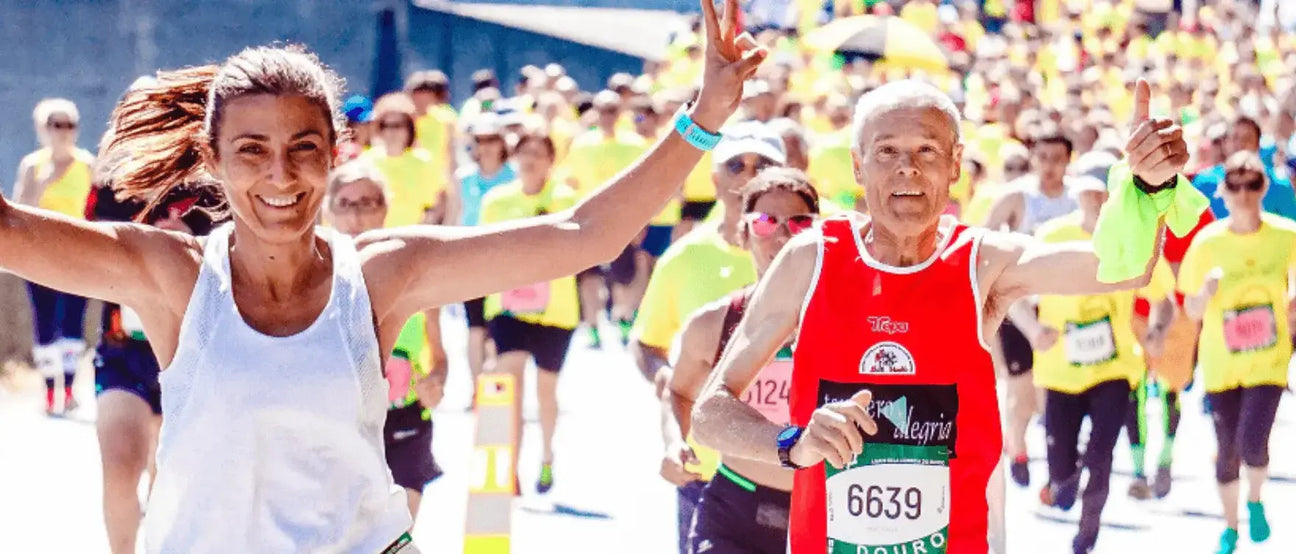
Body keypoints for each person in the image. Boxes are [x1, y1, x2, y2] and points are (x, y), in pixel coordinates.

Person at [0, 6, 766, 547]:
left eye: (304, 147)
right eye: (252, 151)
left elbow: (583, 233)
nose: (280, 175)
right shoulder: (171, 275)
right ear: (213, 161)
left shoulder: (382, 276)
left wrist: (707, 111)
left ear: (338, 151)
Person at [690, 79, 1189, 554]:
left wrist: (1148, 186)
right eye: (887, 151)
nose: (907, 167)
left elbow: (1122, 269)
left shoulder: (983, 264)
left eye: (926, 151)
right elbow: (710, 411)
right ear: (859, 167)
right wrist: (792, 443)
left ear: (954, 167)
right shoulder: (810, 259)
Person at [637, 121, 785, 553]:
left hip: (791, 473)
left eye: (764, 165)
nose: (748, 175)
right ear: (715, 176)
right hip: (707, 469)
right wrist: (664, 375)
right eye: (736, 164)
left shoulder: (815, 251)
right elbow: (648, 342)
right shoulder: (684, 258)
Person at [1006, 176, 1176, 552]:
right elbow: (1013, 293)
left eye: (1105, 191)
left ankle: (1088, 531)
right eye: (1089, 191)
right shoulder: (1052, 236)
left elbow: (1165, 300)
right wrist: (1034, 330)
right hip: (1060, 372)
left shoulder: (1133, 239)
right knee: (1062, 478)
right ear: (1077, 193)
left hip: (1114, 369)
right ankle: (1065, 483)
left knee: (1102, 455)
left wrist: (1158, 332)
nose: (1097, 199)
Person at [665, 168, 819, 554]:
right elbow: (679, 391)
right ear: (743, 233)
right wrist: (673, 443)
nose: (783, 235)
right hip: (735, 508)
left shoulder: (849, 323)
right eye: (765, 222)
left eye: (799, 222)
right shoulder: (713, 322)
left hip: (822, 509)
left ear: (818, 234)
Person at [91, 177, 219, 554]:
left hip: (190, 354)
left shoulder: (214, 192)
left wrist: (186, 244)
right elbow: (87, 250)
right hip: (123, 351)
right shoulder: (115, 189)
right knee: (119, 466)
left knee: (168, 479)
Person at [323, 160, 448, 523]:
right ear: (328, 210)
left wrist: (438, 379)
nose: (356, 215)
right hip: (339, 427)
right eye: (346, 204)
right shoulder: (308, 279)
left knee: (398, 533)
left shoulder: (414, 273)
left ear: (385, 207)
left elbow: (439, 355)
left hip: (406, 420)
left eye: (367, 203)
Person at [1178, 151, 1290, 554]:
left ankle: (1255, 500)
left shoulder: (1286, 236)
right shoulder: (1207, 242)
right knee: (1226, 448)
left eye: (1253, 185)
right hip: (1221, 360)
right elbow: (1189, 309)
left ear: (1264, 189)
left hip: (1269, 358)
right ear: (1223, 192)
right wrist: (1205, 293)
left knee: (1252, 440)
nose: (1244, 194)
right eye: (1235, 185)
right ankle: (1230, 527)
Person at [478, 131, 581, 494]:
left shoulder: (566, 198)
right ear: (514, 158)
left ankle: (547, 457)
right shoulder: (496, 201)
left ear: (551, 161)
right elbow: (483, 250)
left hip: (556, 310)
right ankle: (510, 469)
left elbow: (575, 246)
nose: (531, 160)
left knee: (546, 393)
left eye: (539, 154)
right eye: (524, 153)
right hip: (508, 307)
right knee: (510, 385)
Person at [982, 128, 1081, 487]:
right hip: (1021, 307)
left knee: (1055, 393)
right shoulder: (1016, 198)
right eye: (1043, 158)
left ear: (1069, 159)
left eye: (1058, 159)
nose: (1050, 166)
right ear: (1032, 157)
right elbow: (982, 242)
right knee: (1021, 391)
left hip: (1065, 307)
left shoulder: (1079, 198)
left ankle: (1061, 456)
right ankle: (1018, 449)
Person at [11, 97, 95, 414]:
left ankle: (70, 390)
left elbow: (97, 210)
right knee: (45, 321)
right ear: (43, 129)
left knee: (73, 320)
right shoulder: (33, 165)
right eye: (55, 125)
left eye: (69, 125)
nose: (62, 132)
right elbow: (18, 212)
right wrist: (44, 181)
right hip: (39, 255)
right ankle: (48, 394)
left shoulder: (87, 164)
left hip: (77, 254)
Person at [457, 114, 518, 397]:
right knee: (475, 327)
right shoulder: (463, 178)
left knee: (497, 328)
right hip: (469, 258)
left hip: (504, 258)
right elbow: (454, 218)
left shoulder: (513, 176)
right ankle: (474, 389)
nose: (487, 146)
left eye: (492, 139)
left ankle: (494, 388)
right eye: (481, 140)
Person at [365, 93, 457, 228]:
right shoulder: (367, 162)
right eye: (386, 125)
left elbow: (439, 202)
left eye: (398, 125)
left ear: (410, 128)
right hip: (375, 236)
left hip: (413, 239)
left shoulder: (423, 162)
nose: (392, 132)